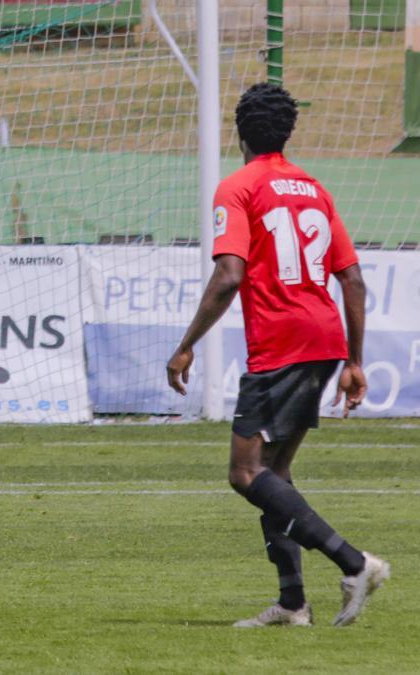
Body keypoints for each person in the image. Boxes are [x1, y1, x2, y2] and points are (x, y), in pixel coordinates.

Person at [167, 83, 389, 628]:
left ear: (239, 132)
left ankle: (355, 563)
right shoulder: (314, 189)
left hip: (281, 343)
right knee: (275, 475)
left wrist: (186, 344)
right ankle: (293, 603)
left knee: (245, 474)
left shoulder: (238, 187)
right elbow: (353, 280)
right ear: (288, 131)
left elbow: (229, 275)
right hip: (324, 339)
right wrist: (354, 361)